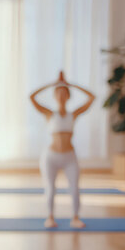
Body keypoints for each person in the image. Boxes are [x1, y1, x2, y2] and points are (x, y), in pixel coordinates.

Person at [30, 71, 95, 229]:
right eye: (58, 93)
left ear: (68, 96)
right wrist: (53, 84)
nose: (61, 95)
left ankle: (75, 217)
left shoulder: (73, 114)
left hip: (69, 156)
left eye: (64, 93)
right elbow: (32, 97)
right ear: (54, 95)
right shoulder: (49, 113)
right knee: (50, 188)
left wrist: (70, 84)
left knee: (74, 188)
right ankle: (50, 217)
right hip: (50, 157)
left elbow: (91, 98)